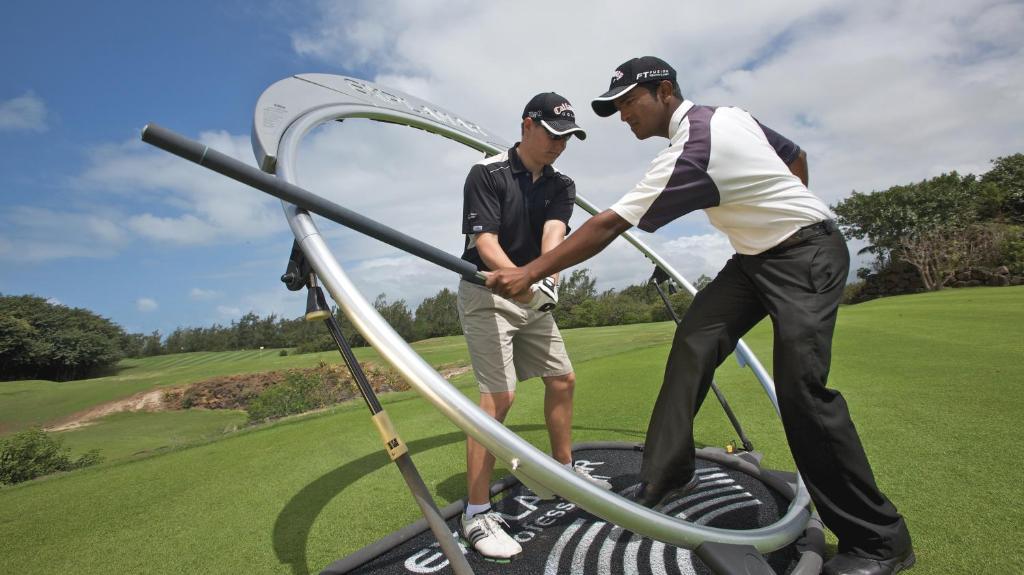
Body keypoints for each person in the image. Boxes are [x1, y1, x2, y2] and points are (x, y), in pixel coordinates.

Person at [486, 57, 914, 575]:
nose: (623, 116)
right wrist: (770, 213)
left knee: (802, 390)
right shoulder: (730, 116)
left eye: (628, 103)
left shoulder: (697, 145)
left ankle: (877, 540)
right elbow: (794, 155)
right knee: (694, 340)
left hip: (806, 252)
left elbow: (606, 225)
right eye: (616, 107)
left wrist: (529, 272)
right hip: (755, 260)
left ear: (665, 90)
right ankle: (668, 472)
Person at [456, 92, 612, 561]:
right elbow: (485, 241)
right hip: (487, 293)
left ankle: (563, 469)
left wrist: (547, 278)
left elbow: (554, 235)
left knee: (562, 378)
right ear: (528, 125)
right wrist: (519, 281)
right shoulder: (487, 172)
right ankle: (476, 512)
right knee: (499, 397)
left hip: (532, 291)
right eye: (553, 134)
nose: (560, 145)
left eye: (568, 138)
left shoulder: (562, 183)